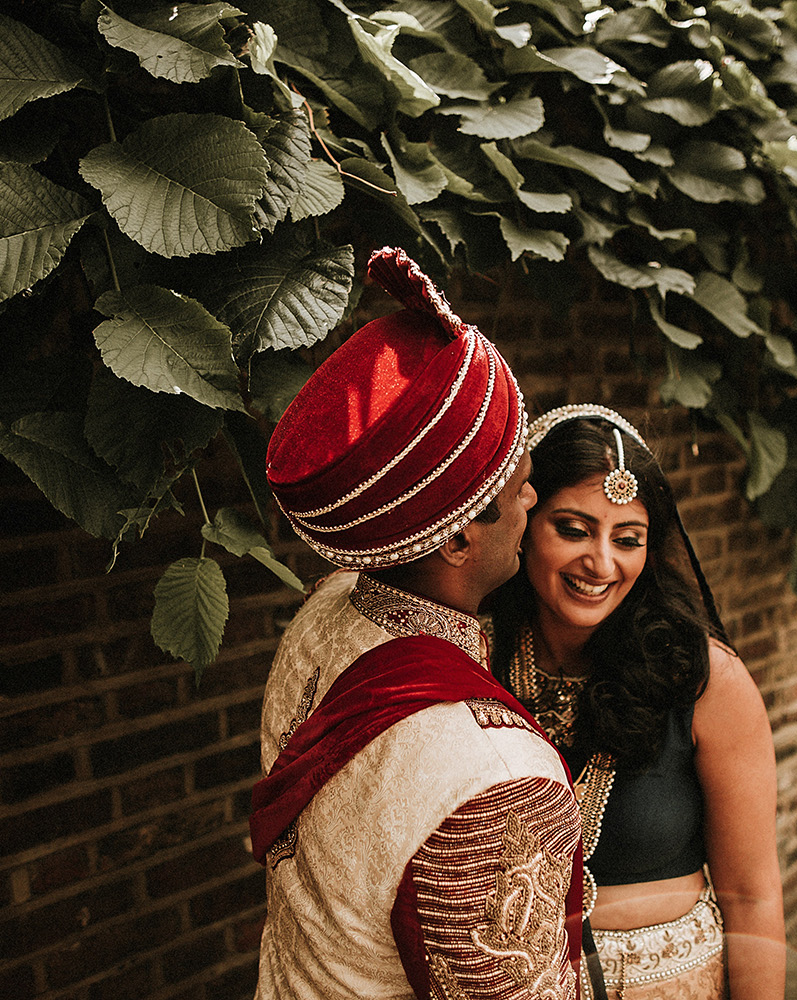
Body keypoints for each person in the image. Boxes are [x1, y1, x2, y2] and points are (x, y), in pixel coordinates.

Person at [248, 248, 584, 999]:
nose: (534, 505)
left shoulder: (321, 616)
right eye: (522, 488)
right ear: (458, 536)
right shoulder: (494, 776)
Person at [486, 405, 786, 1000]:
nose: (601, 563)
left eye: (628, 540)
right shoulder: (475, 652)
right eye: (573, 529)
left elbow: (752, 896)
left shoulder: (706, 680)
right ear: (525, 520)